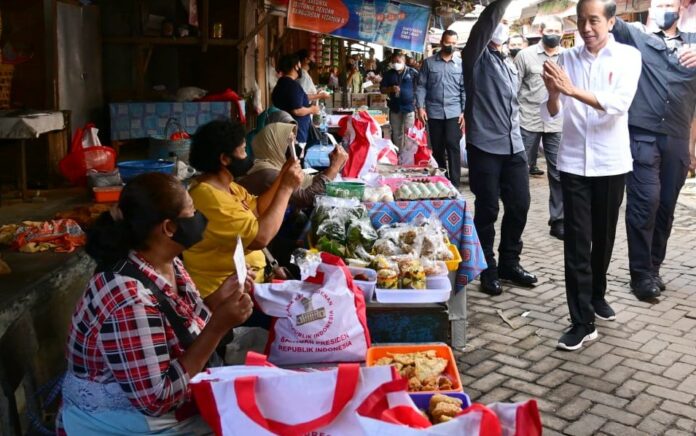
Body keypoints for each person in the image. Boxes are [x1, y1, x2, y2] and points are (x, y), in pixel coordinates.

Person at [56, 173, 254, 434]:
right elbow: (157, 399)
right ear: (169, 228)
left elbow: (179, 324)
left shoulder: (163, 262)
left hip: (157, 407)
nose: (199, 218)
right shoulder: (129, 299)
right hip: (121, 422)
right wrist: (217, 327)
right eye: (192, 212)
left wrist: (219, 298)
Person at [542, 0, 641, 350]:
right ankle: (582, 321)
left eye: (594, 20)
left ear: (611, 22)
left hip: (612, 162)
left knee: (604, 237)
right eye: (581, 21)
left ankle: (597, 293)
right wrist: (555, 93)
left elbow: (618, 104)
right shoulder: (564, 60)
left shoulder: (629, 57)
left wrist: (570, 90)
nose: (586, 28)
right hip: (572, 163)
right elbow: (553, 112)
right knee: (577, 242)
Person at [611, 0, 696, 300]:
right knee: (645, 202)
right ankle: (640, 274)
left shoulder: (694, 45)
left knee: (666, 208)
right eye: (658, 3)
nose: (663, 8)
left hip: (677, 137)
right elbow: (607, 15)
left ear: (682, 8)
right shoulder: (637, 38)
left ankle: (654, 267)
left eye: (669, 3)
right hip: (642, 136)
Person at [461, 0, 537, 296]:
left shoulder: (507, 61)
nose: (501, 28)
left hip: (514, 146)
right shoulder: (475, 58)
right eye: (499, 22)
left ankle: (509, 262)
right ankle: (488, 269)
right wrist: (501, 4)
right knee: (488, 209)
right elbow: (484, 24)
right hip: (485, 147)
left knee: (520, 205)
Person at [184, 120, 304, 296]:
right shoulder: (209, 198)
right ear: (225, 159)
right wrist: (286, 188)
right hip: (223, 298)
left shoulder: (228, 186)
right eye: (243, 149)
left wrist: (283, 175)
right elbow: (260, 238)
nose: (247, 155)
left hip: (251, 285)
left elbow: (258, 209)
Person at [515, 15, 566, 240]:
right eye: (549, 29)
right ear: (541, 31)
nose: (552, 33)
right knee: (519, 171)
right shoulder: (525, 56)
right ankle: (516, 216)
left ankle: (559, 220)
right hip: (528, 120)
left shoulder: (569, 57)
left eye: (557, 30)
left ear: (563, 33)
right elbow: (513, 91)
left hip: (558, 123)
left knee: (558, 173)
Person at [237, 122, 348, 209]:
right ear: (275, 144)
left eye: (294, 140)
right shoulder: (267, 174)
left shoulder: (277, 165)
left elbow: (310, 181)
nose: (296, 145)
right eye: (290, 141)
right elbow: (306, 198)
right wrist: (334, 168)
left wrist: (336, 165)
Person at [415, 30, 466, 187]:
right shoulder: (429, 63)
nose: (450, 46)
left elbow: (464, 89)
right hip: (434, 111)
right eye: (448, 42)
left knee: (453, 144)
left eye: (453, 43)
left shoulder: (460, 64)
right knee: (437, 147)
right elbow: (421, 86)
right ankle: (443, 179)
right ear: (441, 42)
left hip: (454, 111)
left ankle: (455, 183)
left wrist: (464, 112)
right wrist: (420, 107)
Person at [272, 53, 320, 155]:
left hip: (284, 132)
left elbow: (297, 99)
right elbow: (297, 110)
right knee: (296, 163)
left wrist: (316, 96)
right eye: (299, 64)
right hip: (296, 135)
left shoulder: (280, 84)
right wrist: (312, 109)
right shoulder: (292, 85)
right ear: (296, 66)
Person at [381, 52, 419, 149]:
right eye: (393, 61)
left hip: (409, 107)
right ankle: (398, 153)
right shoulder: (388, 74)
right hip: (395, 107)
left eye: (398, 61)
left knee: (409, 132)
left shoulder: (413, 72)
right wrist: (390, 89)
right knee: (396, 132)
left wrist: (419, 106)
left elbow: (420, 88)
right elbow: (382, 89)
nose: (395, 63)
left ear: (404, 61)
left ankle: (408, 154)